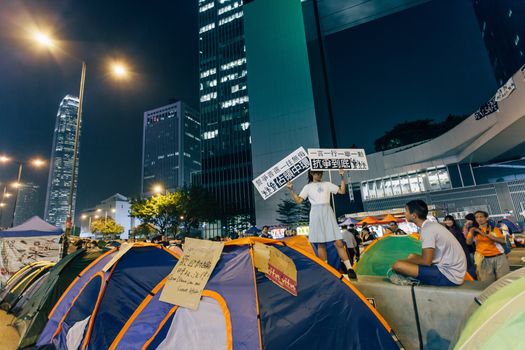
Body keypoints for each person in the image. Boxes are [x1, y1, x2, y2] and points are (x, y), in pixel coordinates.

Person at [288, 169, 356, 278]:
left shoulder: (327, 184)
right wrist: (291, 190)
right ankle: (326, 269)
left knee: (338, 242)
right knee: (321, 243)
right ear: (311, 173)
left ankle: (350, 268)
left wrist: (342, 177)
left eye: (320, 173)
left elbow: (342, 191)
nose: (319, 175)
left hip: (327, 211)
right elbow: (299, 201)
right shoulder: (308, 187)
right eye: (316, 173)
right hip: (315, 213)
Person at [392, 200, 466, 286]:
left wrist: (407, 261)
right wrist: (410, 259)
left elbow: (426, 261)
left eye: (406, 211)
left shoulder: (427, 230)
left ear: (414, 215)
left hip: (450, 276)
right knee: (411, 256)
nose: (405, 213)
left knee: (398, 265)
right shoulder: (431, 225)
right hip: (455, 272)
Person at [466, 211, 510, 281]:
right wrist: (471, 231)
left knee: (504, 281)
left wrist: (485, 234)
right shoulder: (474, 231)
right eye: (476, 217)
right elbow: (469, 242)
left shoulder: (493, 229)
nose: (479, 219)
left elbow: (502, 241)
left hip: (499, 257)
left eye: (481, 217)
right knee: (486, 282)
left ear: (486, 218)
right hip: (483, 259)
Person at [443, 215, 476, 279]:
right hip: (459, 252)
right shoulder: (450, 230)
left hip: (462, 251)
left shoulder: (455, 229)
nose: (448, 222)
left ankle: (473, 280)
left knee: (468, 267)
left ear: (453, 221)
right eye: (446, 220)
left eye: (450, 220)